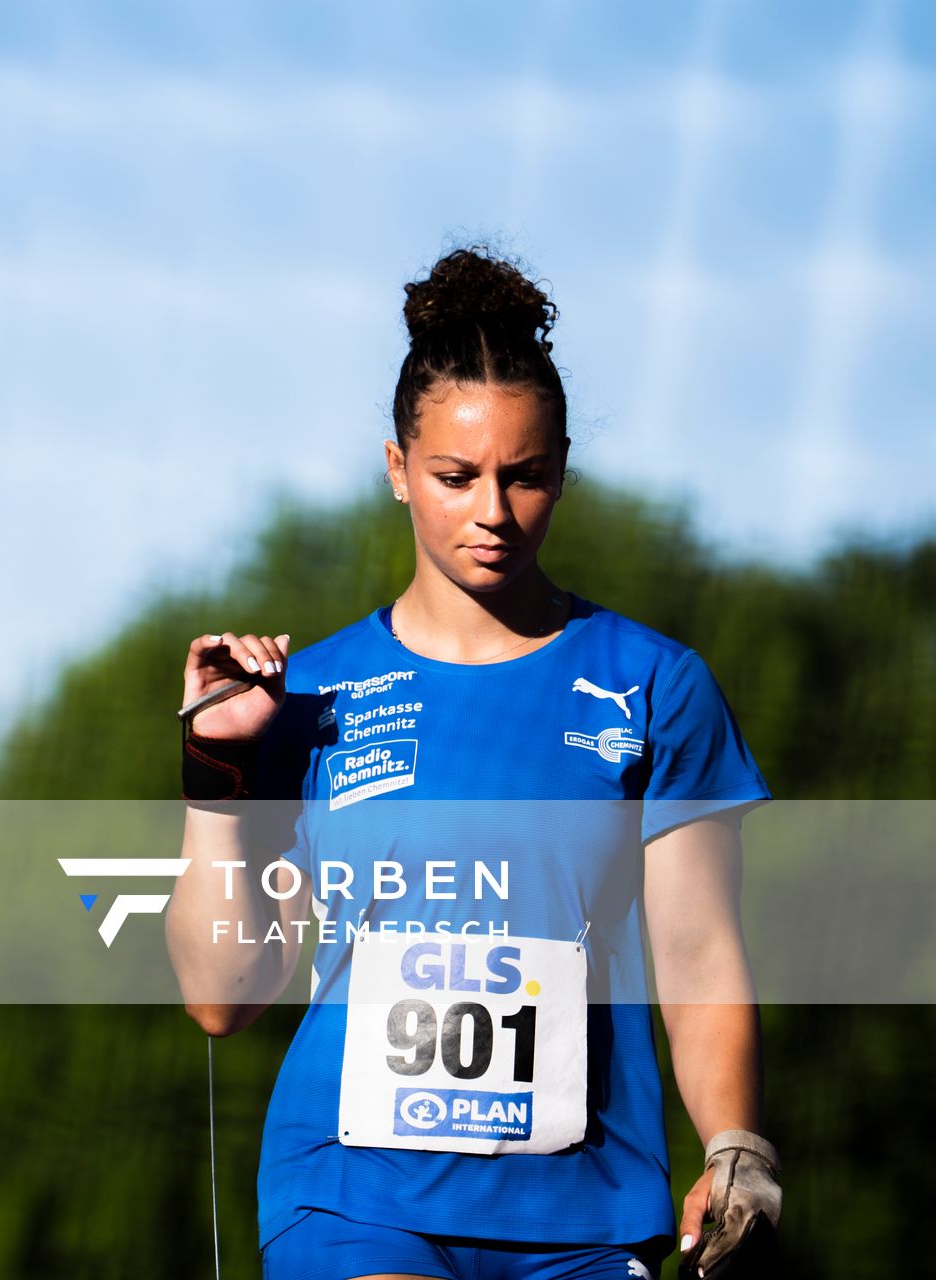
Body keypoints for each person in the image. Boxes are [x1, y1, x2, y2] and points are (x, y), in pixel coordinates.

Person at [163, 246, 784, 1280]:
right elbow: (223, 995)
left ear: (564, 466)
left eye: (524, 474)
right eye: (455, 476)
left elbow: (699, 951)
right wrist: (213, 770)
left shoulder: (657, 684)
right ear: (399, 467)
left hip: (589, 1209)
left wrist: (736, 1146)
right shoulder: (302, 695)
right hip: (352, 1196)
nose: (491, 511)